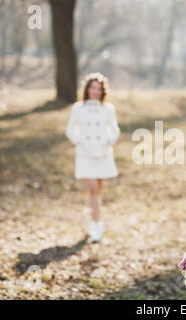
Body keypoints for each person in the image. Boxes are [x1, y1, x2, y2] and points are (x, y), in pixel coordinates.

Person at [65, 72, 121, 242]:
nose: (95, 91)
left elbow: (115, 130)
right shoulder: (78, 108)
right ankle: (96, 222)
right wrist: (80, 141)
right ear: (87, 89)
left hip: (102, 153)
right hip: (85, 154)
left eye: (99, 89)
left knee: (97, 190)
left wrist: (107, 141)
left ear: (102, 91)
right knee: (93, 189)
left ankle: (95, 219)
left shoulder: (108, 109)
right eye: (92, 88)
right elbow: (70, 130)